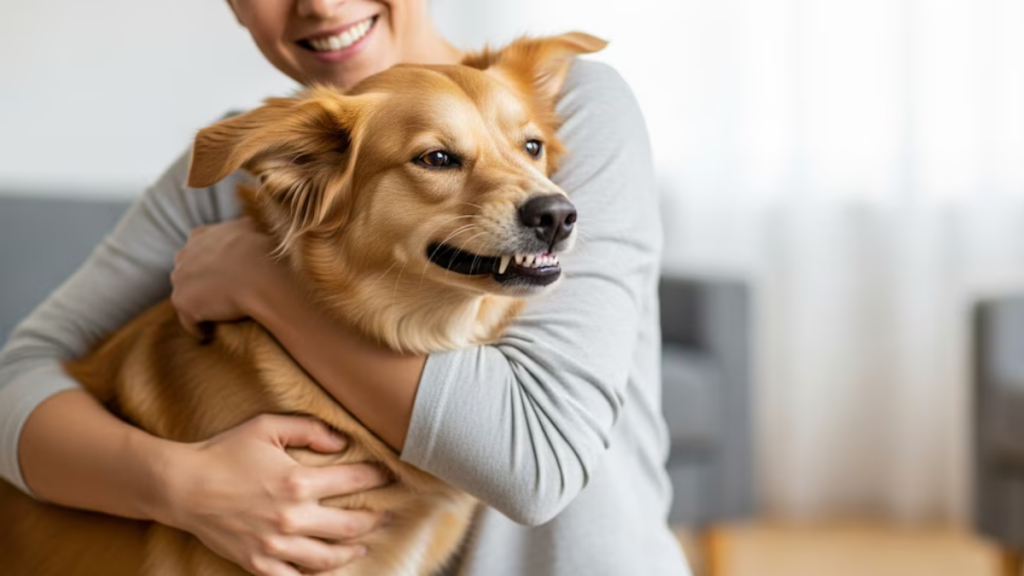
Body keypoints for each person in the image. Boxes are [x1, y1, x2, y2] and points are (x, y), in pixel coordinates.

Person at [0, 1, 690, 575]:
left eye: (530, 149)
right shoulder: (269, 162)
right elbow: (16, 384)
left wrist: (263, 283)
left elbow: (533, 462)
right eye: (440, 158)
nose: (322, 4)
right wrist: (183, 486)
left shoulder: (573, 103)